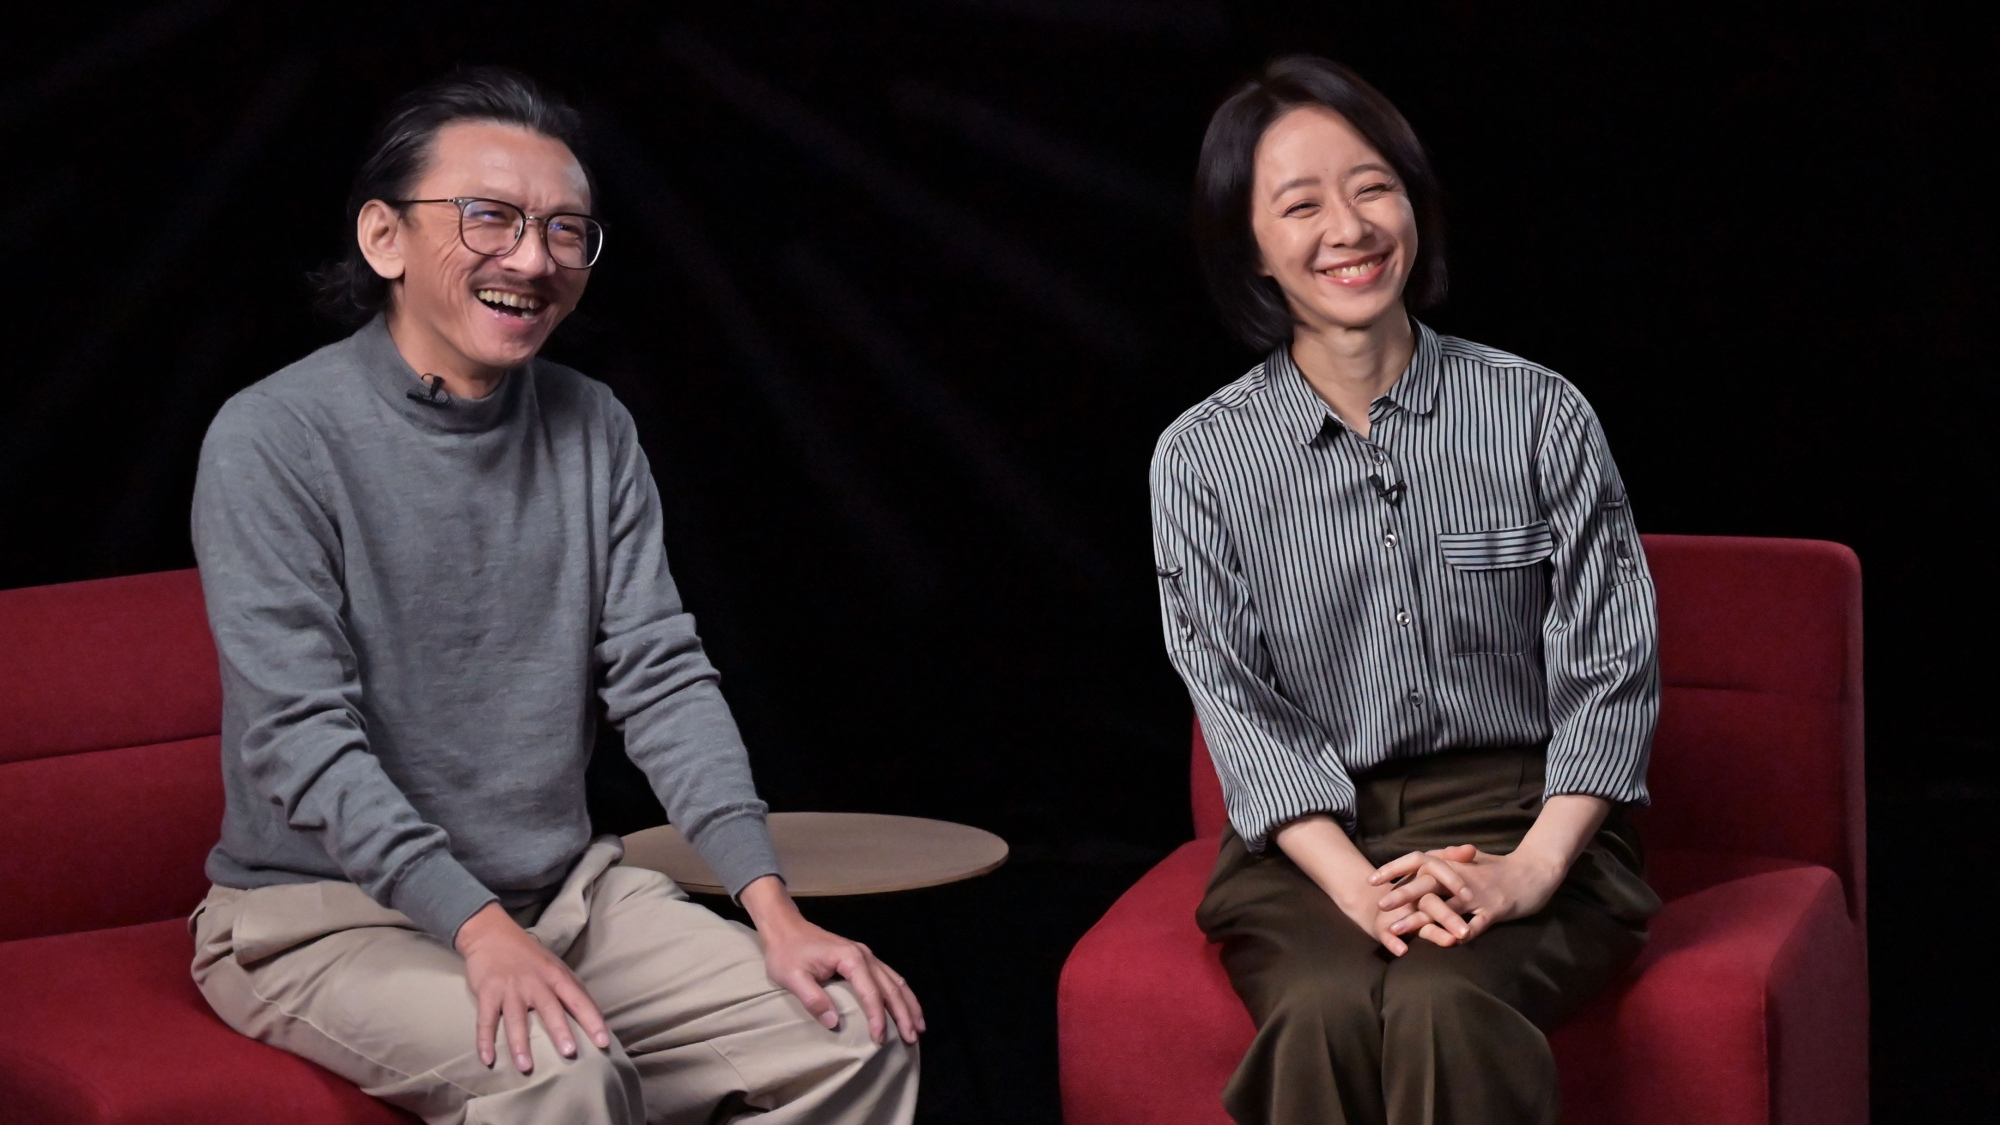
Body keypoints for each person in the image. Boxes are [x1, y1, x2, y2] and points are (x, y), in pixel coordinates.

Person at [186, 68, 919, 1125]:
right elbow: (298, 736)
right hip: (323, 918)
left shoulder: (593, 425)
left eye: (565, 230)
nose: (533, 260)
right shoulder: (273, 437)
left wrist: (772, 909)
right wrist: (478, 930)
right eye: (490, 218)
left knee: (855, 1029)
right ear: (385, 238)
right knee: (558, 1068)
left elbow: (661, 678)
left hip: (564, 898)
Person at [1152, 55, 1664, 1125]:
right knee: (1323, 1008)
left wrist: (1529, 871)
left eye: (1372, 187)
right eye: (1301, 205)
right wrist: (1355, 884)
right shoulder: (1199, 460)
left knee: (1441, 1002)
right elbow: (1235, 703)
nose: (1349, 227)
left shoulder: (1538, 413)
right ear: (1249, 247)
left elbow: (1611, 670)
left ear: (1412, 203)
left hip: (1525, 815)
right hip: (1309, 846)